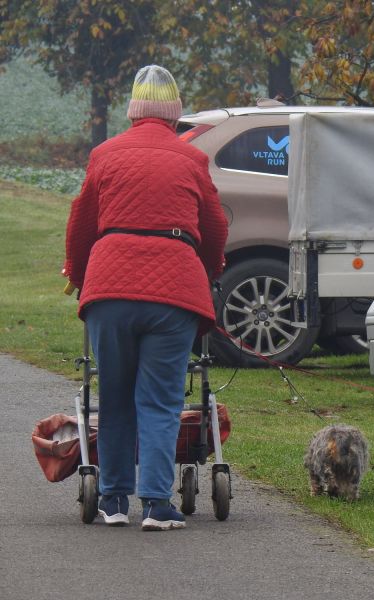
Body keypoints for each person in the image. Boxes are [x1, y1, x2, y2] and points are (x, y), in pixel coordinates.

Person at [63, 65, 228, 531]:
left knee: (114, 396)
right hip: (174, 291)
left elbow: (81, 224)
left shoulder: (105, 155)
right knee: (158, 401)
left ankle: (113, 501)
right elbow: (215, 227)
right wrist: (211, 268)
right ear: (174, 113)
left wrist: (77, 275)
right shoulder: (190, 159)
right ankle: (156, 505)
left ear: (133, 111)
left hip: (109, 287)